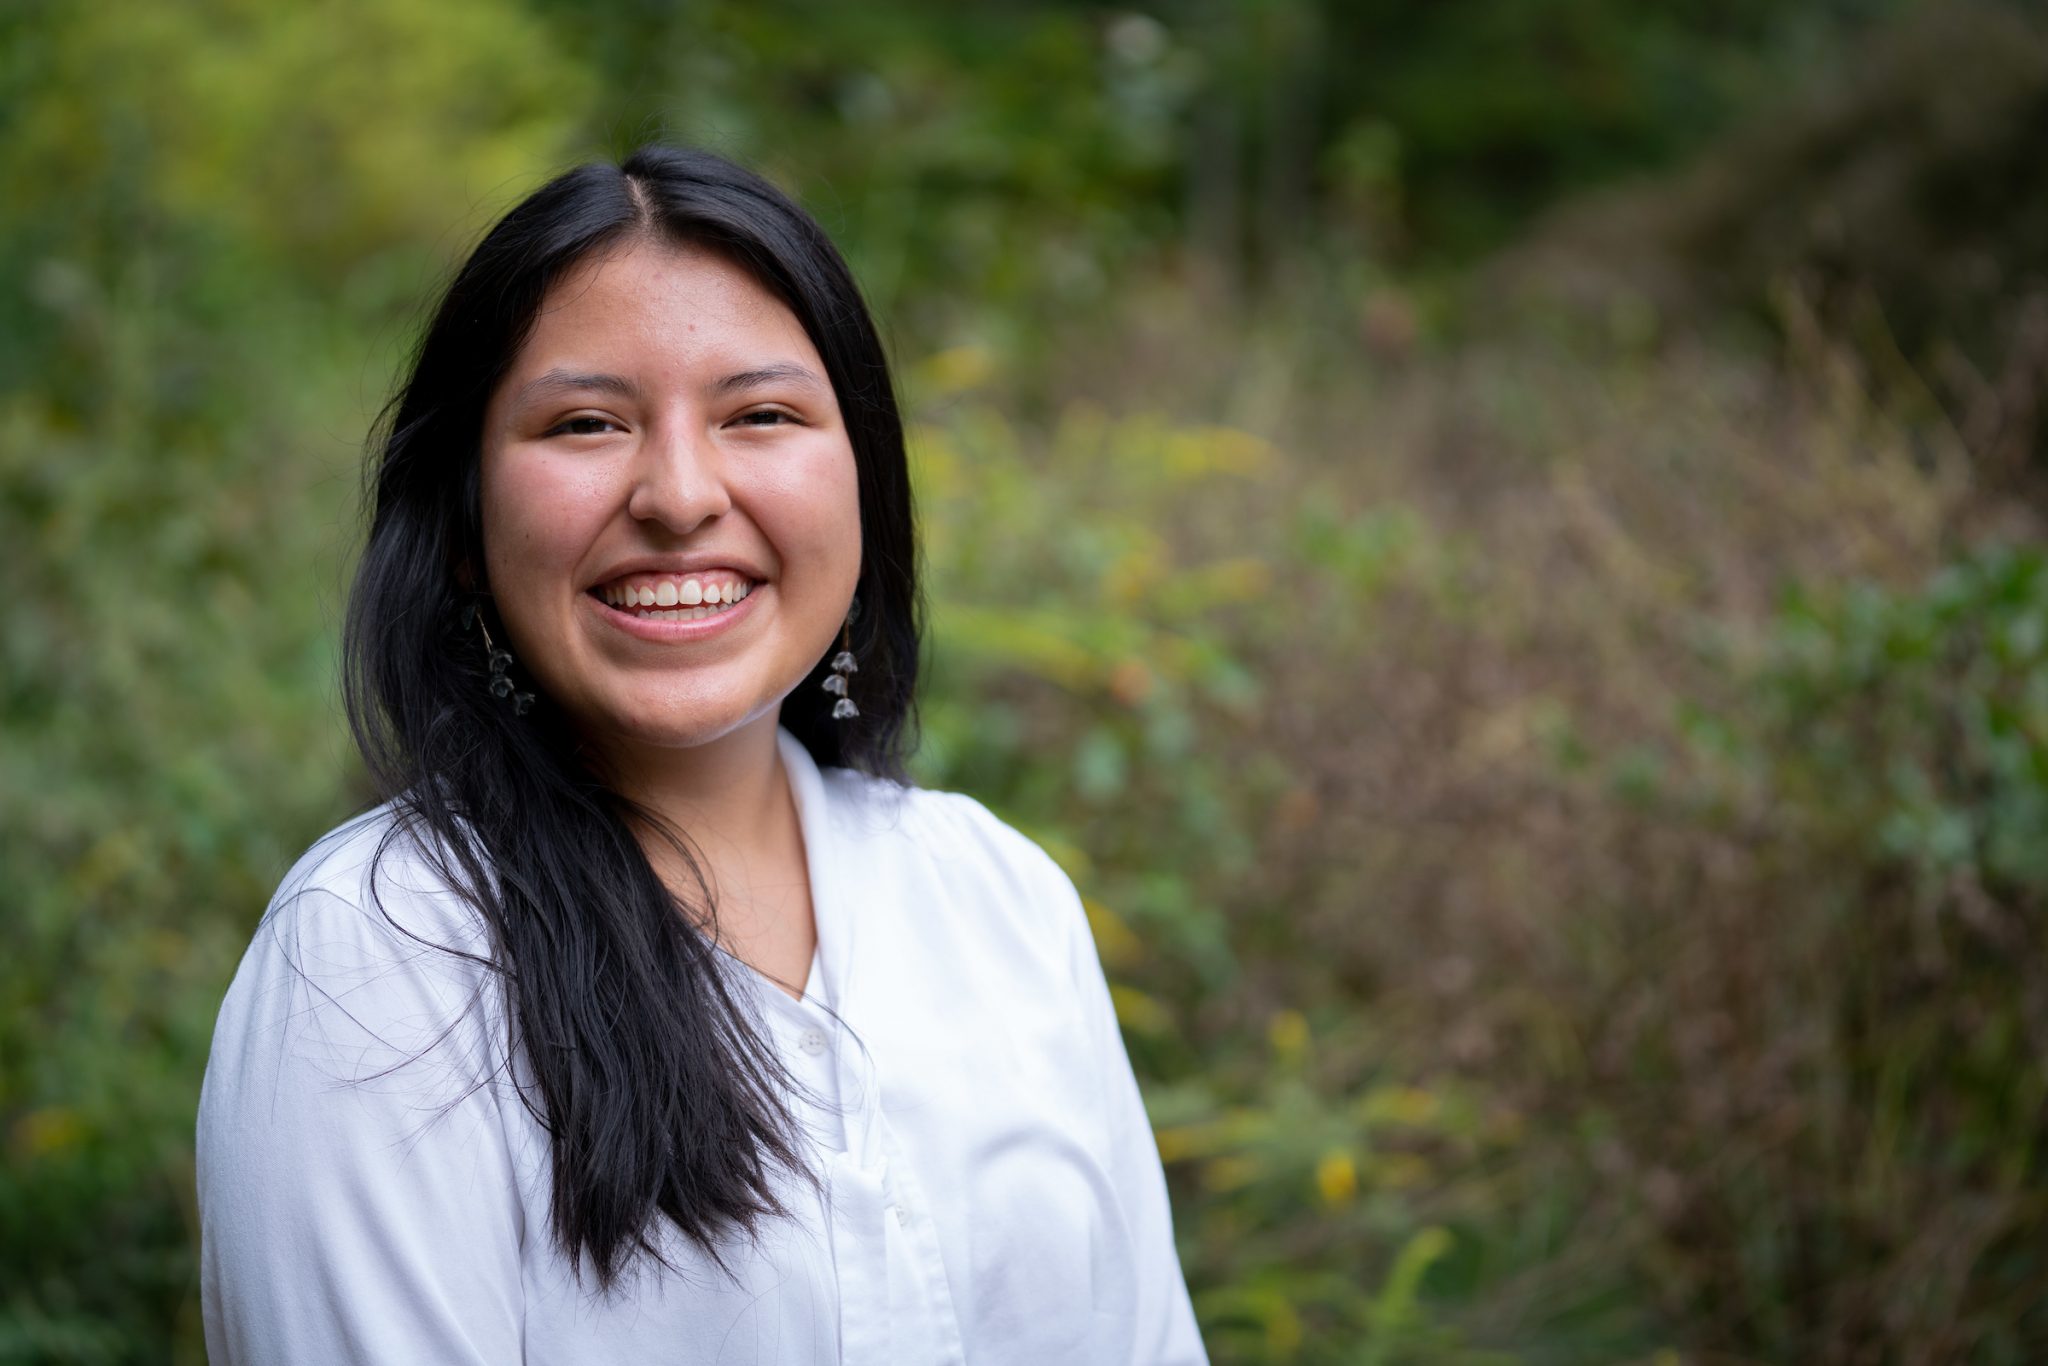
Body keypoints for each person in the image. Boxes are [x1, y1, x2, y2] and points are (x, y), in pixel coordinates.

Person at [195, 145, 1208, 1364]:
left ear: (862, 486)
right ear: (462, 523)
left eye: (760, 414)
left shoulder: (1000, 901)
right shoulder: (382, 956)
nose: (678, 493)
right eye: (585, 423)